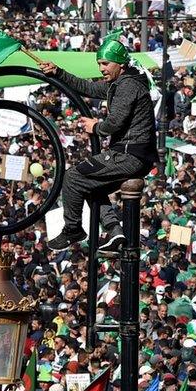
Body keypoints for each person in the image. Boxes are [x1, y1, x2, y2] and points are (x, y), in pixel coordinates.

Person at [38, 35, 157, 252]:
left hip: (129, 154)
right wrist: (59, 73)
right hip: (134, 155)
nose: (101, 68)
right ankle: (115, 232)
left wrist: (97, 128)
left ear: (120, 64)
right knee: (91, 185)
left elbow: (116, 120)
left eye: (105, 63)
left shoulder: (128, 85)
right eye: (99, 64)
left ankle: (73, 228)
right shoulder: (119, 83)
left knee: (73, 177)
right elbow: (89, 89)